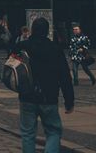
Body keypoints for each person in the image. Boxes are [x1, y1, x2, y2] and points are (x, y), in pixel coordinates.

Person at [13, 17, 74, 153]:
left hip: (27, 96)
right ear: (47, 31)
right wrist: (69, 100)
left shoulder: (22, 46)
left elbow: (11, 68)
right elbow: (65, 77)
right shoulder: (55, 49)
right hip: (49, 96)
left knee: (28, 133)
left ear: (32, 30)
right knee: (53, 132)